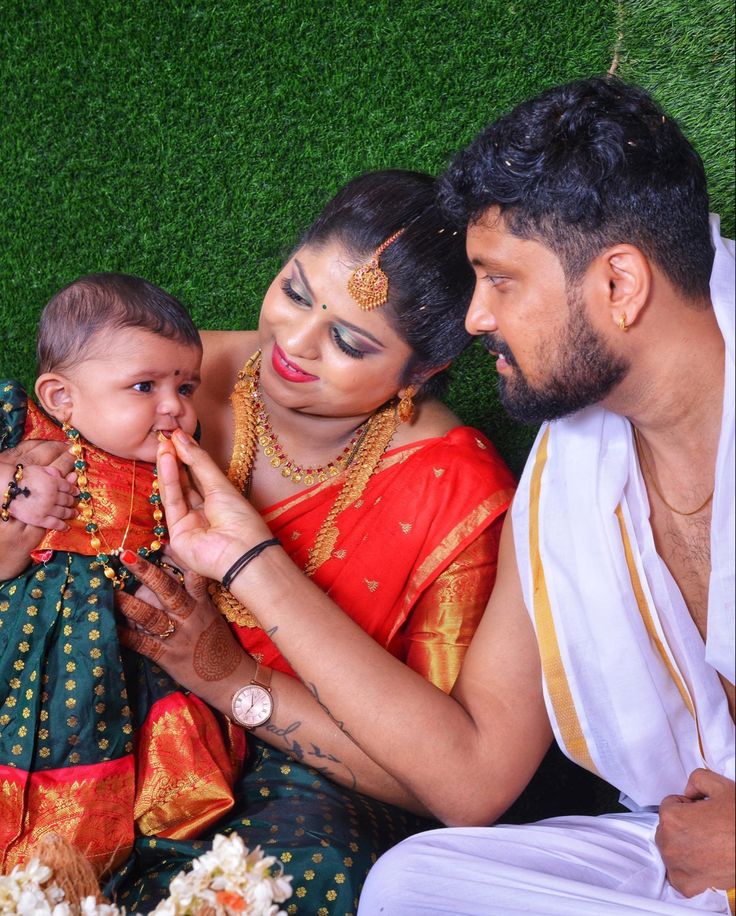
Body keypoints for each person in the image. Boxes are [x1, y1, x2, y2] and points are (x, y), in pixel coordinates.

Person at [117, 77, 734, 915]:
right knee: (414, 885)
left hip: (709, 840)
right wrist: (244, 563)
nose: (476, 320)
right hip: (675, 836)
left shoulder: (464, 478)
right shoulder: (575, 463)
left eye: (501, 282)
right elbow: (472, 775)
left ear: (619, 285)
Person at [81, 170, 514, 913]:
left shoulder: (451, 489)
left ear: (424, 370)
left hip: (310, 790)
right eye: (295, 291)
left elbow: (436, 778)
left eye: (348, 340)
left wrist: (224, 674)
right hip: (104, 722)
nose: (294, 343)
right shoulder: (161, 382)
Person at [0, 274, 239, 876]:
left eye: (186, 385)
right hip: (26, 638)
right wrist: (12, 490)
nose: (174, 406)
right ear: (61, 399)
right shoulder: (36, 446)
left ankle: (79, 867)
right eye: (144, 386)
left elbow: (194, 558)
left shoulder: (175, 471)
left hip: (126, 651)